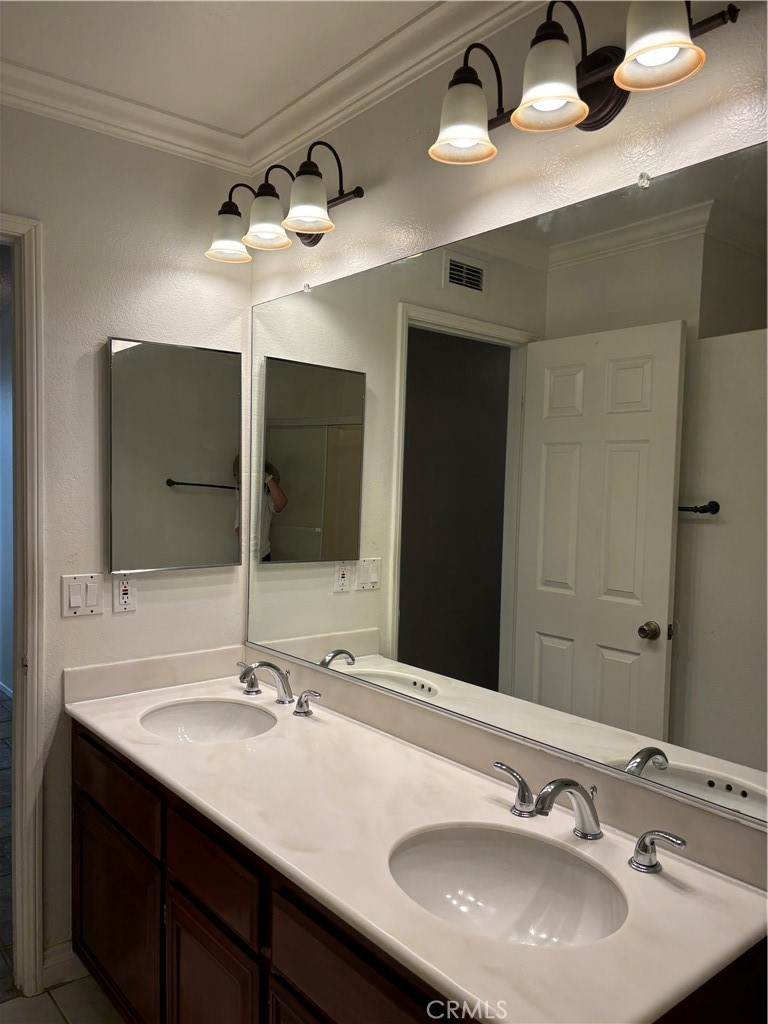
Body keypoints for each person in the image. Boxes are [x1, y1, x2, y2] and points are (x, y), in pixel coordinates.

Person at [261, 461, 288, 561]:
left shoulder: (266, 496)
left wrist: (266, 477)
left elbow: (281, 502)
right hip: (245, 554)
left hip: (263, 554)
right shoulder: (243, 495)